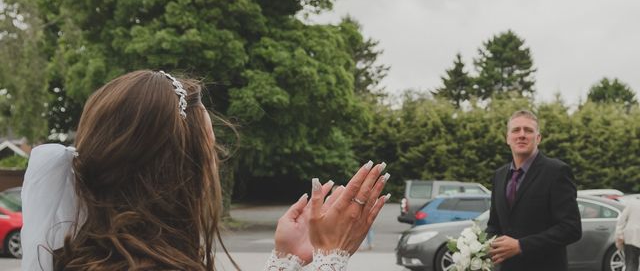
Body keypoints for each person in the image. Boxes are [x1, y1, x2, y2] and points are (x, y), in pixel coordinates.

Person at [21, 70, 390, 271]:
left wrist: (286, 260)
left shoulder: (88, 259)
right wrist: (332, 256)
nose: (215, 167)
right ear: (175, 173)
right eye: (209, 152)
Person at [486, 110, 582, 271]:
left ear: (538, 138)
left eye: (528, 130)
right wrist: (483, 246)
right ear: (507, 138)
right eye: (516, 130)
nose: (521, 135)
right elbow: (494, 225)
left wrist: (521, 245)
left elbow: (571, 228)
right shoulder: (499, 176)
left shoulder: (557, 171)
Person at [615, 198, 640, 271]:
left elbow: (621, 221)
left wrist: (619, 235)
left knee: (631, 263)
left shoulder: (632, 203)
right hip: (632, 236)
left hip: (632, 237)